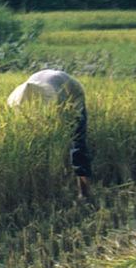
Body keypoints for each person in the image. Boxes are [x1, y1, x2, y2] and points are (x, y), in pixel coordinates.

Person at [6, 69, 93, 198]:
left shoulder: (57, 96)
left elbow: (60, 128)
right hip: (50, 81)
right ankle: (53, 188)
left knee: (77, 144)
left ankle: (84, 192)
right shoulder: (25, 93)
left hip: (73, 95)